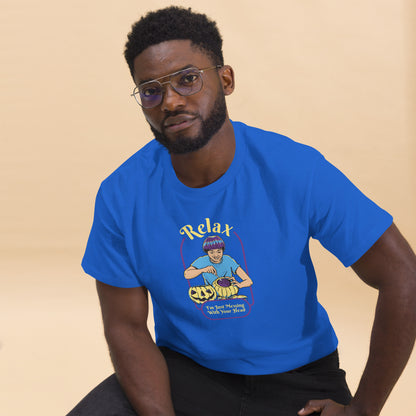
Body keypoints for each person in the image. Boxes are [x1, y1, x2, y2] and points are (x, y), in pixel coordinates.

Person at [67, 6, 416, 416]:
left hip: (298, 380)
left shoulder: (294, 169)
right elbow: (125, 325)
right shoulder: (120, 194)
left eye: (188, 79)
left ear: (225, 79)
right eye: (150, 90)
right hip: (186, 373)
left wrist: (362, 411)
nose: (171, 101)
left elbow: (402, 276)